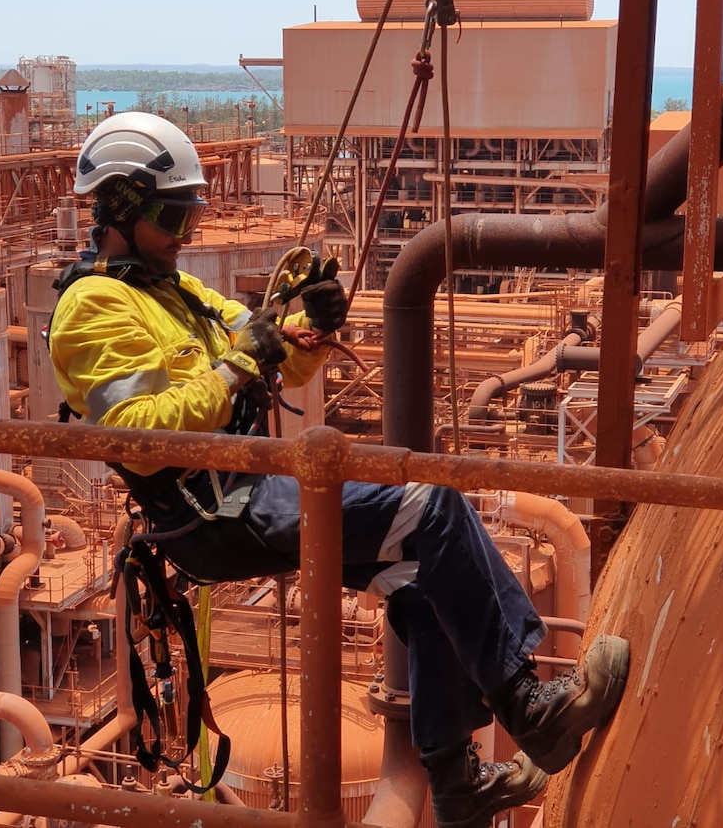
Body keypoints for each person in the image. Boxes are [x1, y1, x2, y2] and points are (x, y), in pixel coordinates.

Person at [48, 112, 630, 828]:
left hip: (249, 485)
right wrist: (237, 366)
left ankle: (453, 778)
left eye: (187, 215)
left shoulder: (177, 293)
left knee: (420, 579)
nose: (185, 234)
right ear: (119, 207)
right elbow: (137, 437)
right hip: (206, 509)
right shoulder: (91, 309)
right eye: (172, 215)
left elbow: (270, 350)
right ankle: (526, 704)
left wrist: (313, 330)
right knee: (433, 508)